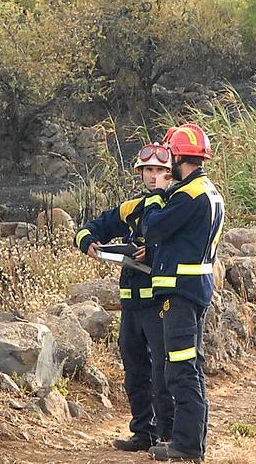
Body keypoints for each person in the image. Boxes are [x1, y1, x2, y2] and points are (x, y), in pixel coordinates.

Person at [73, 142, 175, 452]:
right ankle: (142, 432)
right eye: (148, 171)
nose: (153, 176)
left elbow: (186, 245)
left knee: (162, 370)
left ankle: (166, 435)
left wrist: (154, 252)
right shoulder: (133, 207)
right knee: (135, 368)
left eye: (159, 170)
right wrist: (87, 241)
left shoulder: (177, 206)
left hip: (160, 302)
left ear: (171, 173)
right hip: (131, 303)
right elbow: (93, 226)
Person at [141, 124, 224, 462]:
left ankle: (187, 445)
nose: (165, 165)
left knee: (179, 369)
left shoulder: (186, 195)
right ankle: (189, 441)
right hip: (195, 291)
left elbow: (153, 226)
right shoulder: (208, 191)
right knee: (190, 366)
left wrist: (156, 194)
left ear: (178, 157)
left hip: (181, 293)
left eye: (168, 156)